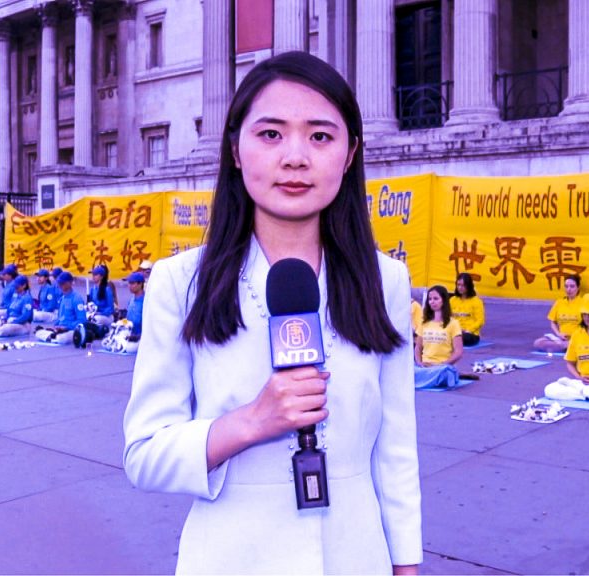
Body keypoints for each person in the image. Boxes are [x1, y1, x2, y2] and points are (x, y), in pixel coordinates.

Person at [122, 52, 421, 574]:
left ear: (350, 154)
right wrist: (250, 422)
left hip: (356, 555)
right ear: (235, 148)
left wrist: (406, 563)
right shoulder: (180, 283)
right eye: (271, 134)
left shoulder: (386, 280)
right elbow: (144, 454)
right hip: (232, 556)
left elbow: (395, 450)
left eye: (321, 137)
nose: (296, 157)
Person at [414, 285, 464, 390]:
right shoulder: (424, 323)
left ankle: (427, 379)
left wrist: (441, 364)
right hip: (424, 367)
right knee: (409, 371)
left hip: (443, 367)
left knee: (444, 373)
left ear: (444, 301)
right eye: (430, 299)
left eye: (436, 299)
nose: (432, 302)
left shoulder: (453, 324)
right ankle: (428, 379)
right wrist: (419, 363)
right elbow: (418, 347)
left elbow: (458, 352)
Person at [533, 274, 583, 353]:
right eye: (566, 286)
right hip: (561, 339)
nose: (569, 289)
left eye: (572, 286)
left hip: (578, 338)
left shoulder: (583, 303)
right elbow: (553, 322)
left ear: (578, 287)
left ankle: (566, 347)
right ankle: (565, 347)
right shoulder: (559, 303)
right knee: (538, 343)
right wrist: (559, 334)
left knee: (579, 344)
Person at [35, 272, 88, 345]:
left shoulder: (76, 298)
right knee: (38, 333)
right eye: (59, 283)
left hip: (71, 329)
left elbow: (82, 320)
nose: (60, 285)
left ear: (70, 283)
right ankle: (53, 336)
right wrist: (56, 326)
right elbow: (60, 318)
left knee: (62, 339)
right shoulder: (62, 299)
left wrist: (66, 327)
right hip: (61, 329)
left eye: (62, 283)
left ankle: (53, 337)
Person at [104, 272, 146, 354]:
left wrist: (139, 336)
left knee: (129, 348)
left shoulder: (146, 301)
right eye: (129, 283)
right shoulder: (131, 300)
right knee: (108, 343)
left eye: (132, 283)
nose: (129, 286)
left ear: (140, 284)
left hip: (140, 336)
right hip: (128, 333)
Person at [450, 272, 485, 346]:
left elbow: (480, 321)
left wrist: (468, 330)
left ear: (469, 286)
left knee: (464, 338)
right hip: (454, 331)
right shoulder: (452, 300)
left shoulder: (477, 301)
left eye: (463, 285)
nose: (460, 287)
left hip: (470, 333)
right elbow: (447, 317)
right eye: (458, 285)